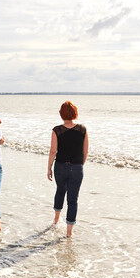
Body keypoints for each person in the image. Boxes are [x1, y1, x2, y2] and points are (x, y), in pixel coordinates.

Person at [47, 100, 89, 237]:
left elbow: (53, 151)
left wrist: (49, 167)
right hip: (77, 167)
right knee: (73, 199)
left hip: (60, 166)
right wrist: (79, 165)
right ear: (75, 113)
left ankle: (56, 219)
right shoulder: (82, 130)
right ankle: (69, 233)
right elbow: (85, 151)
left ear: (61, 114)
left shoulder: (57, 130)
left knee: (60, 191)